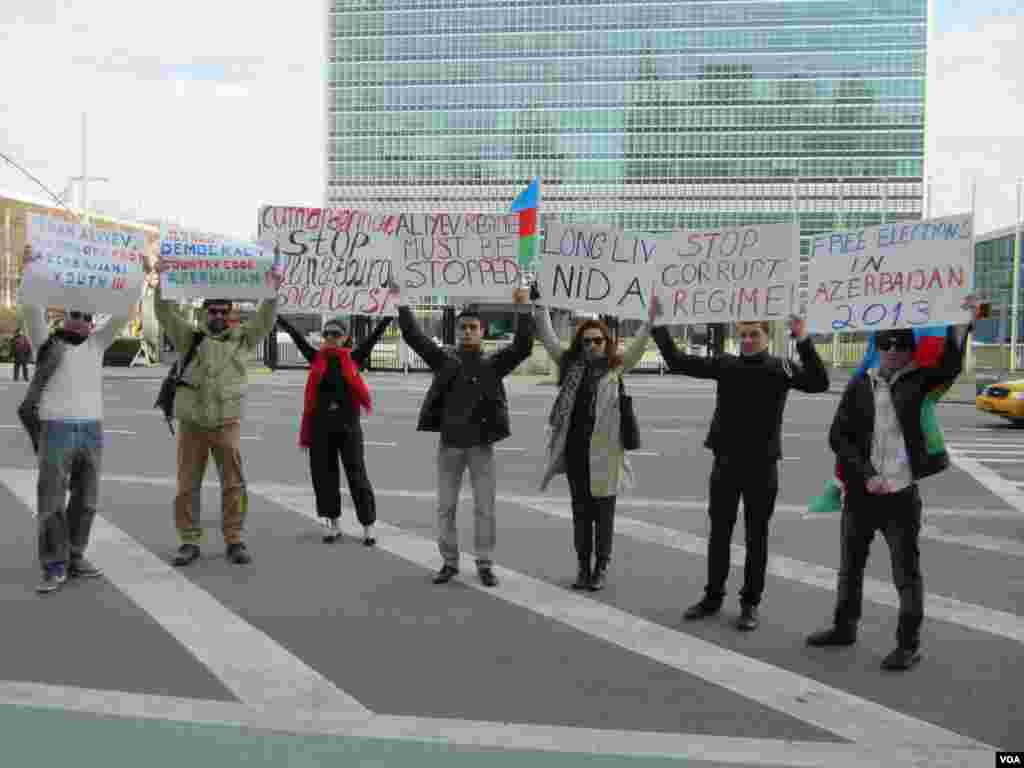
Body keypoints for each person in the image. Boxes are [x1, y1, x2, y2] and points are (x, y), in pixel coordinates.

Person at [806, 297, 979, 670]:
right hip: (862, 495)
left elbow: (950, 364)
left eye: (901, 344)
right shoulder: (859, 386)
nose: (893, 351)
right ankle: (844, 627)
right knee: (850, 567)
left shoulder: (921, 382)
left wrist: (962, 321)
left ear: (911, 349)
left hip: (901, 495)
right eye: (885, 343)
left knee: (906, 572)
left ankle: (908, 645)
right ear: (876, 347)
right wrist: (866, 475)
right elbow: (839, 436)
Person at [650, 304, 829, 630]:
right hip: (726, 463)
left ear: (766, 336)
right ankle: (713, 597)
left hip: (762, 466)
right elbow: (677, 361)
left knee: (756, 538)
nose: (747, 339)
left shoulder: (781, 367)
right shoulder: (726, 364)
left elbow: (819, 382)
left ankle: (750, 604)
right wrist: (658, 325)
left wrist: (803, 339)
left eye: (754, 334)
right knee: (719, 534)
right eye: (742, 334)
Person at [394, 285, 534, 587]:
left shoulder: (493, 364)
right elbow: (414, 337)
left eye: (473, 327)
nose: (468, 331)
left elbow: (523, 347)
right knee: (446, 507)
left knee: (485, 508)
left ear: (482, 332)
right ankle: (449, 562)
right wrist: (401, 302)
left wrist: (523, 309)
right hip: (450, 447)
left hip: (481, 448)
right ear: (457, 332)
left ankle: (484, 563)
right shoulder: (445, 360)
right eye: (463, 327)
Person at [21, 247, 141, 593]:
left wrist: (137, 276)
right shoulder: (45, 342)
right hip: (56, 429)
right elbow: (31, 309)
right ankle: (53, 565)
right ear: (64, 317)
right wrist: (31, 270)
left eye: (88, 317)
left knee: (86, 501)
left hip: (92, 430)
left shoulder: (97, 345)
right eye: (76, 315)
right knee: (52, 502)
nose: (83, 321)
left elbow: (123, 311)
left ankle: (75, 556)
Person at [149, 262, 281, 567]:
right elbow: (165, 313)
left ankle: (234, 539)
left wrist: (272, 290)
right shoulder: (188, 337)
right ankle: (188, 540)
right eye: (213, 311)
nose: (218, 316)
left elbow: (266, 317)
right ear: (204, 313)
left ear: (231, 314)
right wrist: (161, 283)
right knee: (186, 486)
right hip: (192, 424)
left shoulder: (243, 338)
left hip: (226, 423)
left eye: (224, 311)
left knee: (233, 484)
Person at [533, 289, 653, 591]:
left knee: (604, 515)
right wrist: (540, 305)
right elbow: (547, 337)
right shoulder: (570, 365)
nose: (592, 345)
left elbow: (639, 345)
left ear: (606, 342)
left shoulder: (616, 367)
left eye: (598, 340)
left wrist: (651, 318)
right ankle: (583, 567)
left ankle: (601, 566)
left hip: (607, 455)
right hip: (576, 454)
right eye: (586, 341)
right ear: (580, 343)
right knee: (581, 514)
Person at [276, 313, 391, 544]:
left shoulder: (354, 357)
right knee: (324, 477)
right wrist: (280, 318)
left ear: (345, 337)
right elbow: (297, 338)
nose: (329, 337)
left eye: (335, 334)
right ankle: (332, 524)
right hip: (320, 429)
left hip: (349, 429)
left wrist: (389, 315)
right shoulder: (317, 358)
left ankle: (368, 526)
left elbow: (373, 337)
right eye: (326, 334)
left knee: (357, 476)